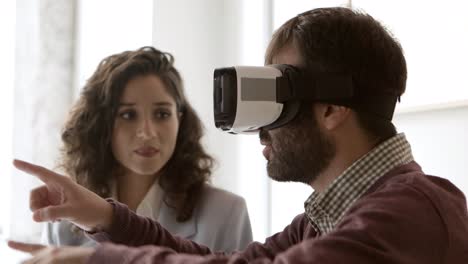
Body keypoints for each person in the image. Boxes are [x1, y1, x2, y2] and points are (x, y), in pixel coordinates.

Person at [9, 7, 468, 264]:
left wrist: (98, 262)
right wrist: (107, 217)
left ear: (330, 108)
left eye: (277, 99)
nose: (260, 126)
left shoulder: (412, 210)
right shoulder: (331, 216)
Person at [39, 46, 252, 252]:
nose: (147, 132)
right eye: (128, 115)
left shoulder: (227, 213)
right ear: (102, 124)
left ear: (180, 119)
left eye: (162, 114)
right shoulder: (64, 216)